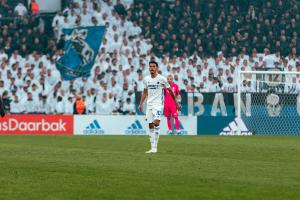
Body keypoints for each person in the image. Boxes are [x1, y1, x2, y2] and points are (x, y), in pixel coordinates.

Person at [138, 61, 181, 154]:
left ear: (156, 68)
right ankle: (153, 148)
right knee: (150, 125)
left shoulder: (162, 79)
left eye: (154, 66)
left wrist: (176, 103)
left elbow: (170, 91)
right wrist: (140, 104)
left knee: (156, 123)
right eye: (150, 66)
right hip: (149, 105)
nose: (152, 68)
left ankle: (155, 147)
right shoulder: (146, 79)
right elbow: (145, 92)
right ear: (149, 68)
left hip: (158, 105)